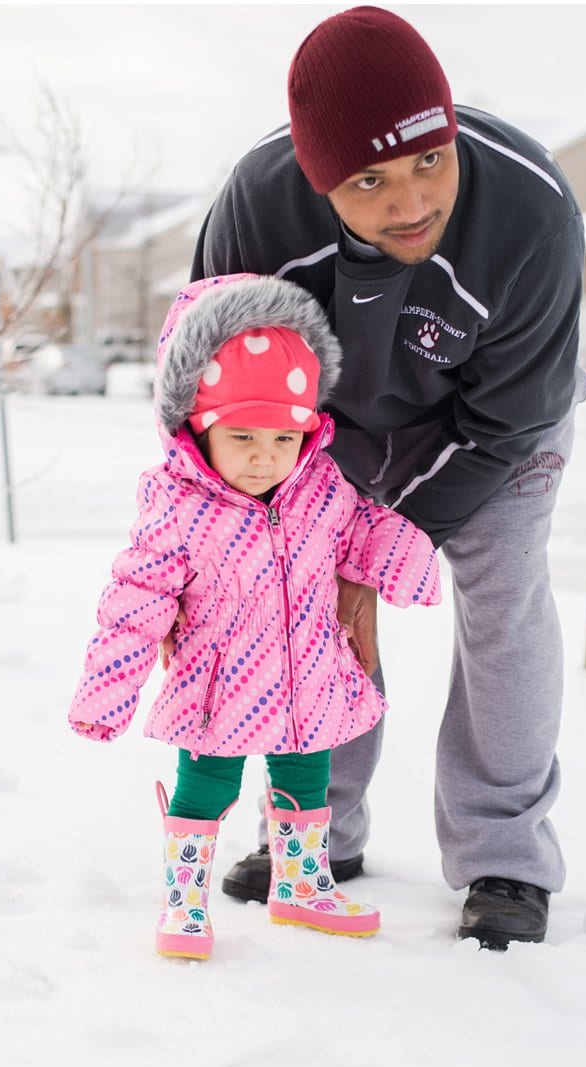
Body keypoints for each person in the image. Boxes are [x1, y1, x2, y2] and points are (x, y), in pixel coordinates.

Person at [190, 5, 586, 950]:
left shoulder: (531, 211)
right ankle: (314, 833)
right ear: (318, 176)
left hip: (499, 423)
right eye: (369, 180)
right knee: (308, 597)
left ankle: (507, 856)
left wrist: (375, 555)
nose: (412, 202)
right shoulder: (257, 208)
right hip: (332, 428)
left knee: (501, 593)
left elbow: (503, 423)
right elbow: (212, 384)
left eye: (429, 160)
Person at [69, 272, 441, 959]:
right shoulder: (178, 506)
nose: (266, 459)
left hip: (309, 680)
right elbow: (135, 603)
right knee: (205, 786)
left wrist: (407, 560)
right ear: (195, 427)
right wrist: (107, 693)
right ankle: (184, 903)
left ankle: (299, 886)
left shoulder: (319, 485)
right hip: (218, 688)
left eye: (283, 439)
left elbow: (362, 529)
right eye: (242, 438)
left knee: (306, 780)